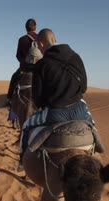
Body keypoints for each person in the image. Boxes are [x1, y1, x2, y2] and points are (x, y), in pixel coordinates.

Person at [17, 28, 96, 172]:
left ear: (40, 45)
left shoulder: (41, 64)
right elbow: (83, 87)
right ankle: (98, 146)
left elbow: (38, 99)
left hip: (54, 113)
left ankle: (22, 161)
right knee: (92, 125)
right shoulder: (76, 57)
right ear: (55, 39)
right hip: (80, 110)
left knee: (27, 126)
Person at [5, 18, 41, 106]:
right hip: (40, 68)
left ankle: (9, 99)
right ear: (35, 27)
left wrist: (25, 63)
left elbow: (18, 55)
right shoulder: (41, 38)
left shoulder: (22, 39)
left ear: (25, 28)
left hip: (25, 68)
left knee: (14, 78)